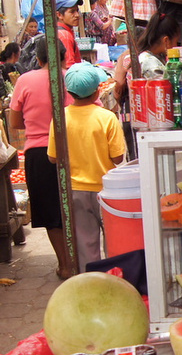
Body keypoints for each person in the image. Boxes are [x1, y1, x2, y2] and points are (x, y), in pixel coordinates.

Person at [47, 62, 126, 272]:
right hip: (106, 190)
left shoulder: (60, 118)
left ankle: (91, 284)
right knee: (114, 243)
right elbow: (118, 158)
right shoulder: (107, 118)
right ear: (98, 90)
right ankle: (115, 282)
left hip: (75, 190)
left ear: (69, 91)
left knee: (85, 246)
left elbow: (53, 158)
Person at [8, 37, 71, 279]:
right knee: (73, 208)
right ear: (64, 57)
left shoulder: (25, 80)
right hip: (71, 148)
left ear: (38, 58)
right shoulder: (73, 78)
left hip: (39, 151)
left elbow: (14, 122)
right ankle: (79, 260)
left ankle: (64, 264)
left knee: (50, 211)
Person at [55, 0, 83, 68]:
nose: (77, 15)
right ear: (59, 15)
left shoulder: (57, 32)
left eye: (77, 11)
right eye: (72, 11)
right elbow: (69, 68)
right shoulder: (65, 36)